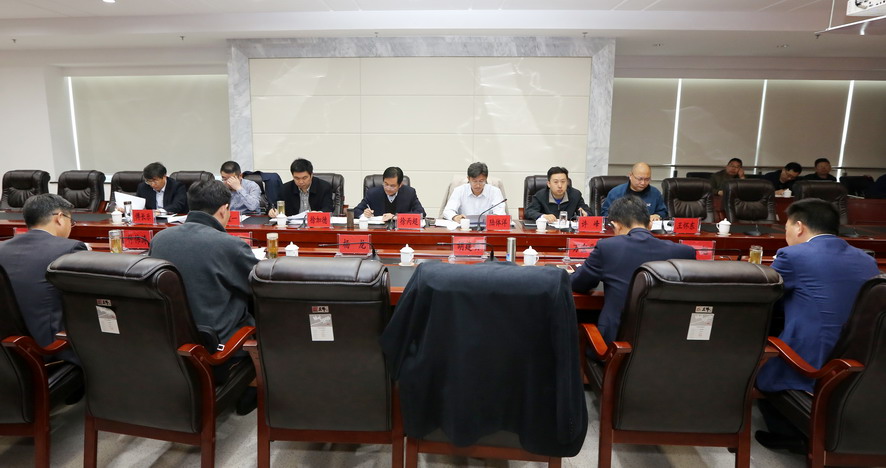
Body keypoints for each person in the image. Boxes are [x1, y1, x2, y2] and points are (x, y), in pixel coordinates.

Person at [755, 198, 878, 451]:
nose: (786, 234)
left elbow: (762, 295)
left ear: (799, 226)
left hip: (813, 361)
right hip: (860, 361)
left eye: (787, 227)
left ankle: (790, 434)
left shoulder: (792, 256)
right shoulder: (866, 259)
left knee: (759, 361)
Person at [148, 180, 258, 386]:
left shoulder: (160, 239)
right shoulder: (231, 245)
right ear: (224, 209)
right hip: (216, 349)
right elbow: (258, 288)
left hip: (169, 344)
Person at [571, 196, 696, 342]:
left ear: (616, 225)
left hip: (616, 346)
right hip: (668, 342)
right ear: (650, 224)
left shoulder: (608, 247)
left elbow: (578, 283)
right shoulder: (684, 252)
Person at [0, 194, 87, 364]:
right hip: (50, 351)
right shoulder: (69, 248)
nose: (71, 227)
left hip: (7, 353)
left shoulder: (2, 248)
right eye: (71, 221)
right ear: (60, 218)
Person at [600, 162, 667, 220]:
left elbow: (663, 212)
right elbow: (605, 213)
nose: (643, 183)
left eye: (647, 179)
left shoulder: (655, 193)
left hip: (647, 229)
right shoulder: (616, 193)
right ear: (630, 176)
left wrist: (658, 215)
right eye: (640, 179)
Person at [354, 166, 425, 221]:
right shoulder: (373, 193)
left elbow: (421, 213)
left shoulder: (409, 193)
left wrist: (395, 217)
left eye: (392, 186)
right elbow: (356, 211)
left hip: (401, 232)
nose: (388, 188)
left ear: (400, 185)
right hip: (378, 231)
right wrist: (364, 215)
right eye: (386, 184)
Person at [441, 162, 506, 222]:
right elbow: (448, 211)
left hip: (487, 228)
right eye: (474, 181)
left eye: (481, 181)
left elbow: (500, 214)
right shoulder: (459, 191)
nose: (478, 185)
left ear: (486, 179)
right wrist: (455, 217)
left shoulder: (495, 192)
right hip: (464, 228)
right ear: (468, 179)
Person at [268, 158, 333, 216]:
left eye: (304, 178)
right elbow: (274, 205)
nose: (301, 182)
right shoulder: (285, 189)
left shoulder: (324, 187)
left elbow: (328, 208)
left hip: (315, 223)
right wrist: (272, 211)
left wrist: (319, 213)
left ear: (311, 175)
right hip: (292, 224)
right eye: (297, 178)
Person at [524, 166, 590, 222]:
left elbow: (588, 211)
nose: (560, 185)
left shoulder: (575, 195)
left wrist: (586, 214)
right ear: (549, 184)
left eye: (563, 182)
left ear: (567, 182)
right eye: (556, 182)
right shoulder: (540, 195)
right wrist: (544, 216)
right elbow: (529, 212)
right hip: (547, 230)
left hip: (568, 231)